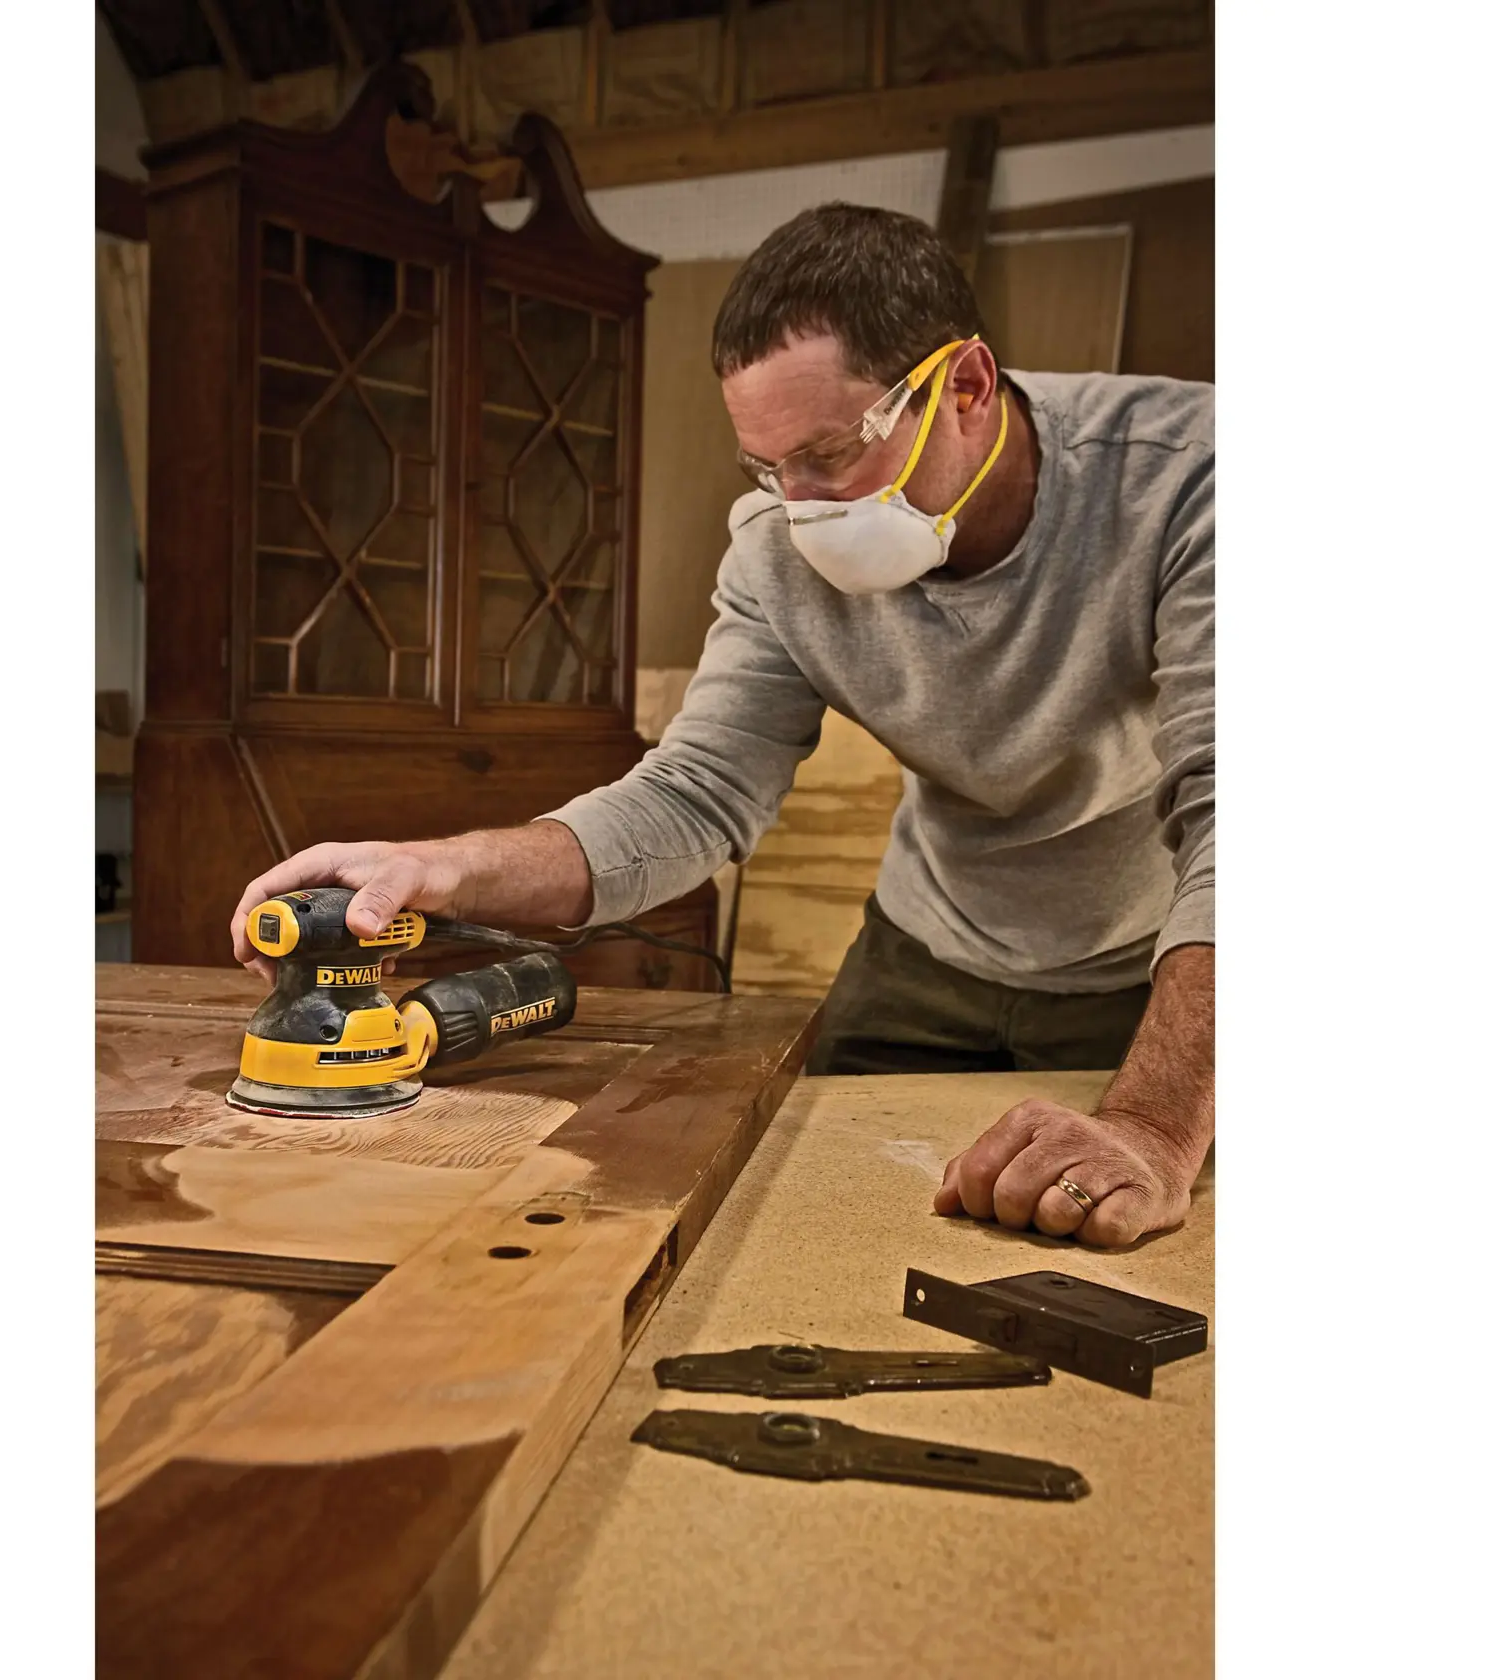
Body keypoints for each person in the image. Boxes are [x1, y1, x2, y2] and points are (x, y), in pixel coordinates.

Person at [230, 202, 1213, 1250]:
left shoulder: (1187, 480)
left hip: (1154, 964)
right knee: (831, 1228)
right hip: (928, 947)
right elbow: (693, 796)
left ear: (964, 387)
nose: (801, 506)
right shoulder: (775, 552)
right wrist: (445, 868)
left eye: (830, 453)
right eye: (768, 467)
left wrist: (1152, 1125)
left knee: (1132, 1247)